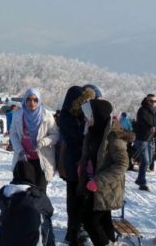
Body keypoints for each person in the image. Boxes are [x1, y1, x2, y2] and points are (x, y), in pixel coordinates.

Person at [77, 99, 132, 246]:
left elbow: (122, 164)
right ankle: (111, 243)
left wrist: (98, 181)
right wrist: (82, 166)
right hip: (94, 184)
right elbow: (91, 155)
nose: (86, 118)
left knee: (89, 220)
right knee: (103, 219)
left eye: (89, 114)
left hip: (106, 186)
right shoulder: (94, 130)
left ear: (98, 115)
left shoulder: (113, 136)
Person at [56, 85, 95, 246]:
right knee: (75, 198)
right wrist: (87, 127)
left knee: (78, 197)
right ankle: (73, 233)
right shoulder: (66, 116)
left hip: (78, 162)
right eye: (82, 101)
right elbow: (76, 139)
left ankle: (75, 229)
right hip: (73, 162)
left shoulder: (78, 115)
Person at [9, 88, 60, 192]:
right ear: (25, 100)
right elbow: (13, 134)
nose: (32, 103)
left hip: (42, 160)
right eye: (29, 99)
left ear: (39, 101)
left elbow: (55, 135)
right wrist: (20, 150)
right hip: (24, 160)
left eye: (35, 100)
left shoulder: (47, 116)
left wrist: (43, 142)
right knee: (25, 192)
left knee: (40, 192)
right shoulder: (18, 115)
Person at [0, 160, 54, 246]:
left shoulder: (4, 192)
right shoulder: (37, 196)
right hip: (30, 241)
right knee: (46, 219)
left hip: (3, 242)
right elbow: (50, 211)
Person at [134, 94, 156, 191]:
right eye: (151, 101)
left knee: (149, 160)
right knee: (146, 161)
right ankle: (141, 182)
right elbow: (142, 122)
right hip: (142, 138)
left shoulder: (153, 111)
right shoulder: (142, 110)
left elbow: (155, 124)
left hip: (149, 139)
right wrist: (149, 127)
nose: (153, 103)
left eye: (155, 101)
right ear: (146, 100)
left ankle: (140, 179)